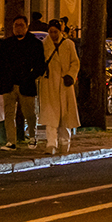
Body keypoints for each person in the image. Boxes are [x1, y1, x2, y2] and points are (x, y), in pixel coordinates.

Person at [0, 15, 46, 149]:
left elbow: (40, 65)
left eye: (21, 25)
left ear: (27, 26)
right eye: (16, 25)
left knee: (30, 113)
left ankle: (33, 137)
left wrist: (31, 76)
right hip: (9, 84)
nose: (18, 28)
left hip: (26, 84)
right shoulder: (7, 44)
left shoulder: (34, 44)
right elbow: (0, 65)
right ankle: (11, 141)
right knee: (9, 114)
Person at [38, 19, 80, 154]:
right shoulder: (44, 45)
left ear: (60, 31)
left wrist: (70, 76)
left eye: (55, 32)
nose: (53, 34)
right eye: (50, 32)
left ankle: (64, 142)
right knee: (51, 116)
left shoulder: (68, 44)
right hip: (49, 84)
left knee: (65, 116)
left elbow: (75, 62)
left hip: (64, 84)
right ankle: (51, 143)